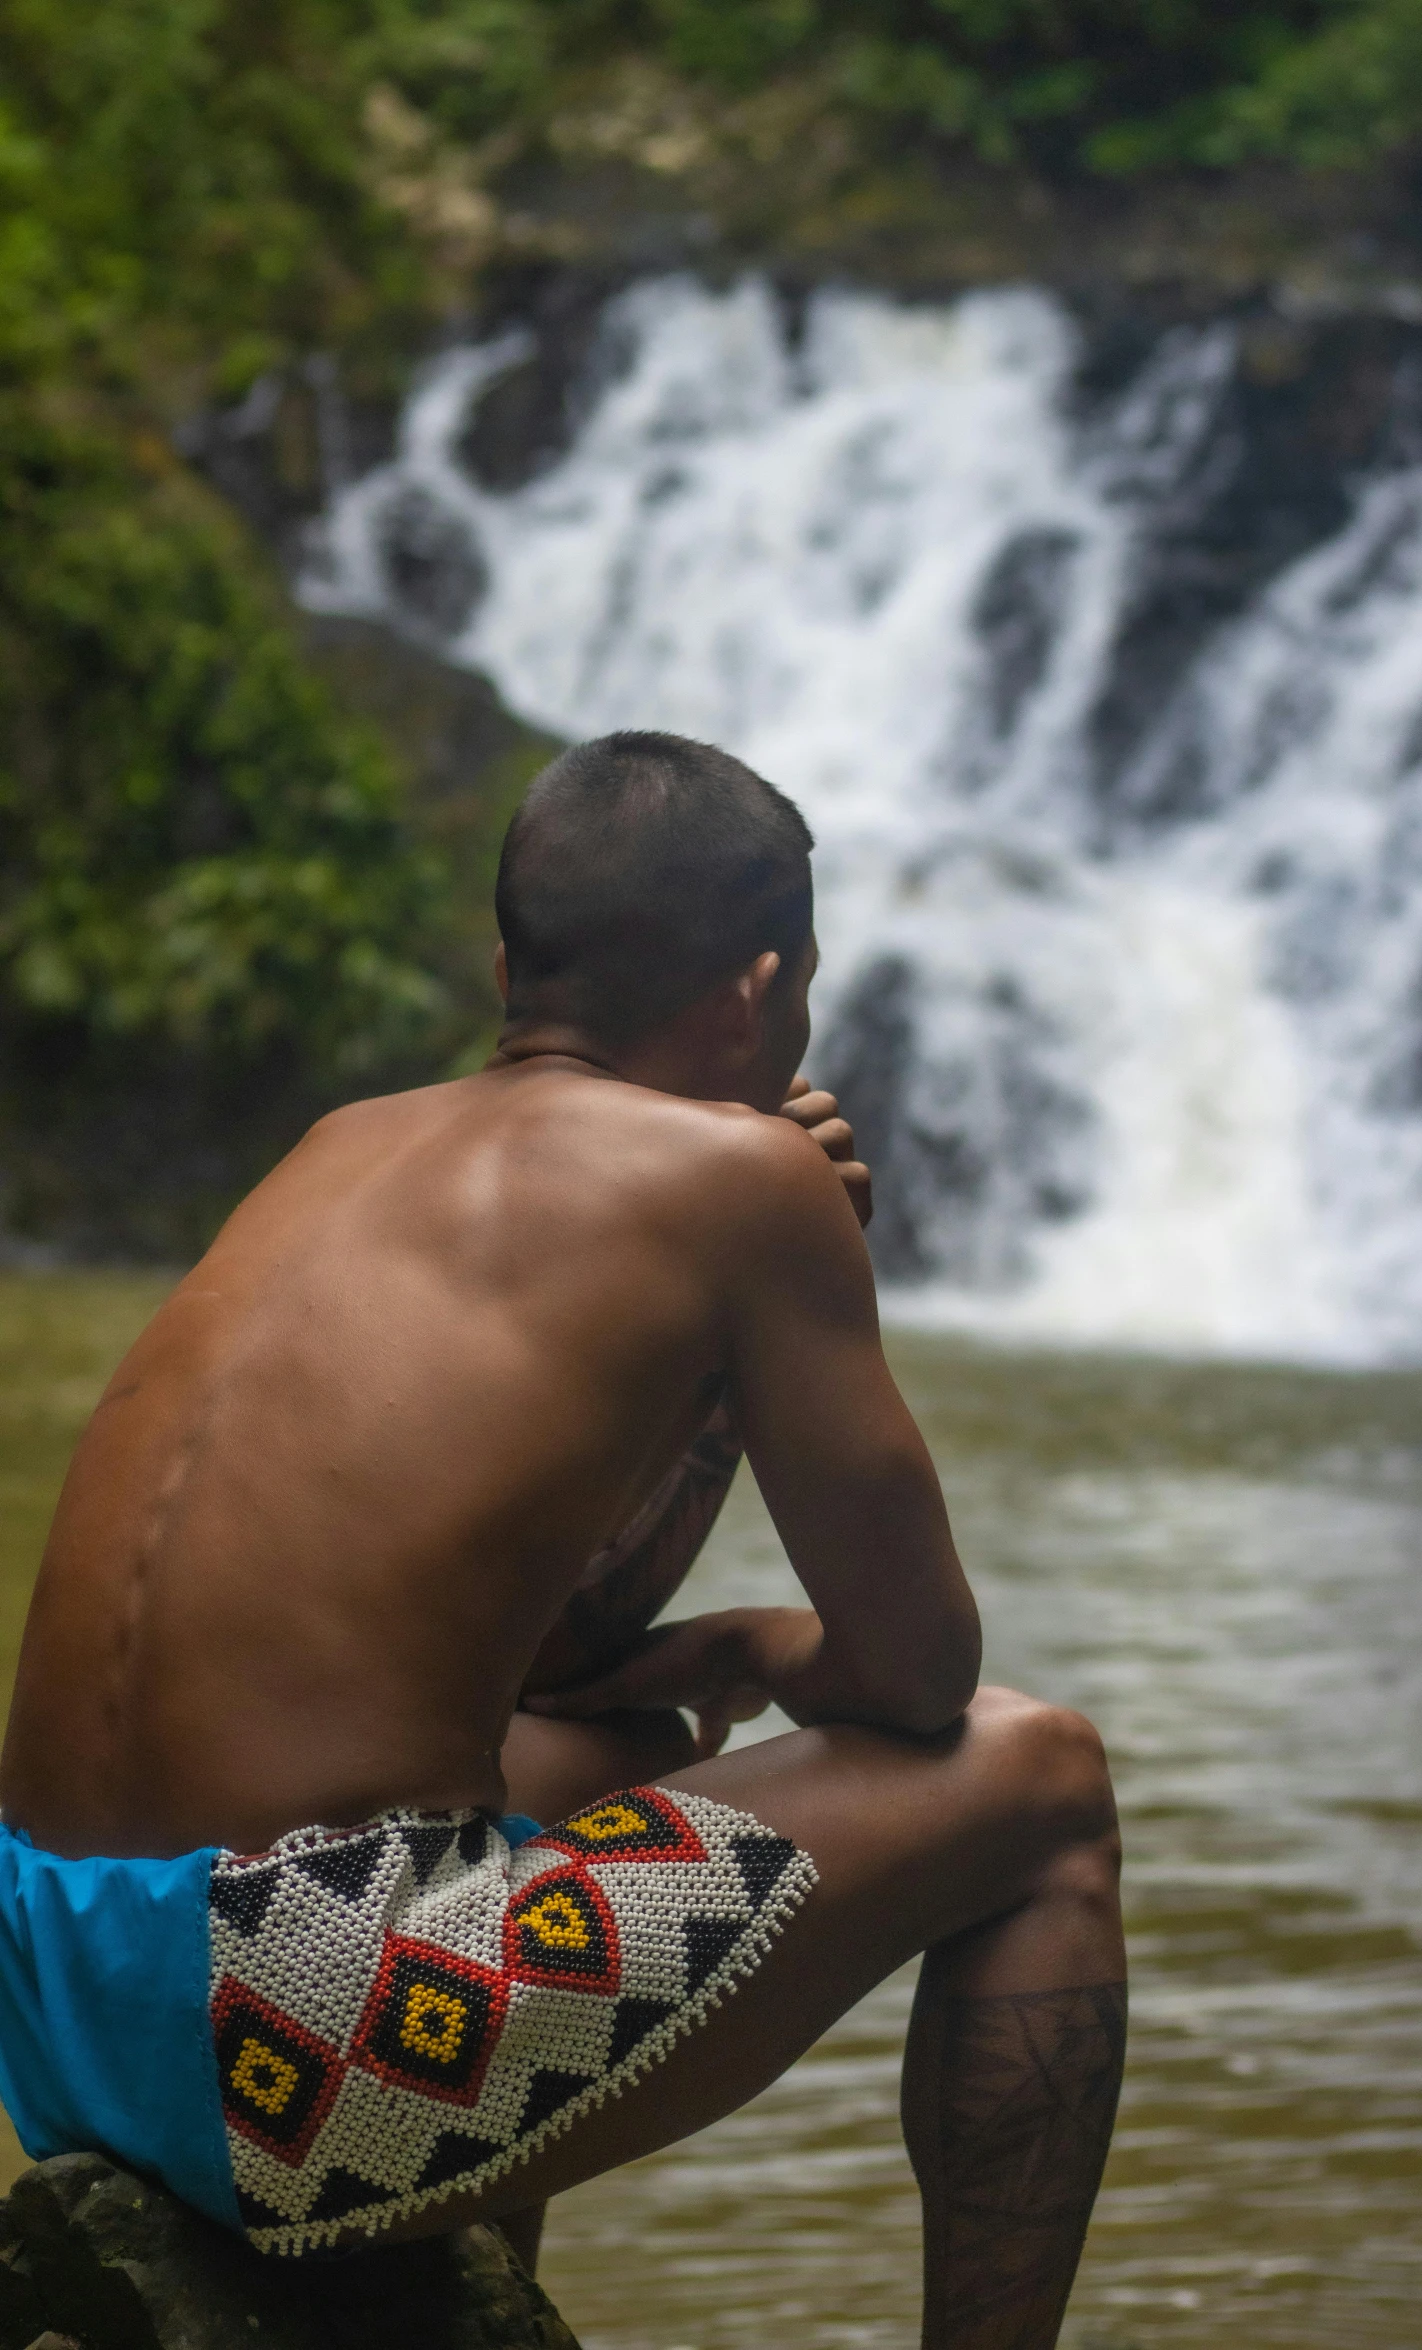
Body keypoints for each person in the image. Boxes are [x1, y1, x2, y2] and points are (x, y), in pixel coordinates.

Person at [0, 731, 1124, 2349]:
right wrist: (758, 1641)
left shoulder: (337, 1143)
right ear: (756, 990)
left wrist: (719, 1386)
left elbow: (551, 1658)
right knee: (1043, 1779)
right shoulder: (746, 1177)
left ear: (510, 960)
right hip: (281, 2036)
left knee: (592, 1741)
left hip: (56, 1990)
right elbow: (920, 1676)